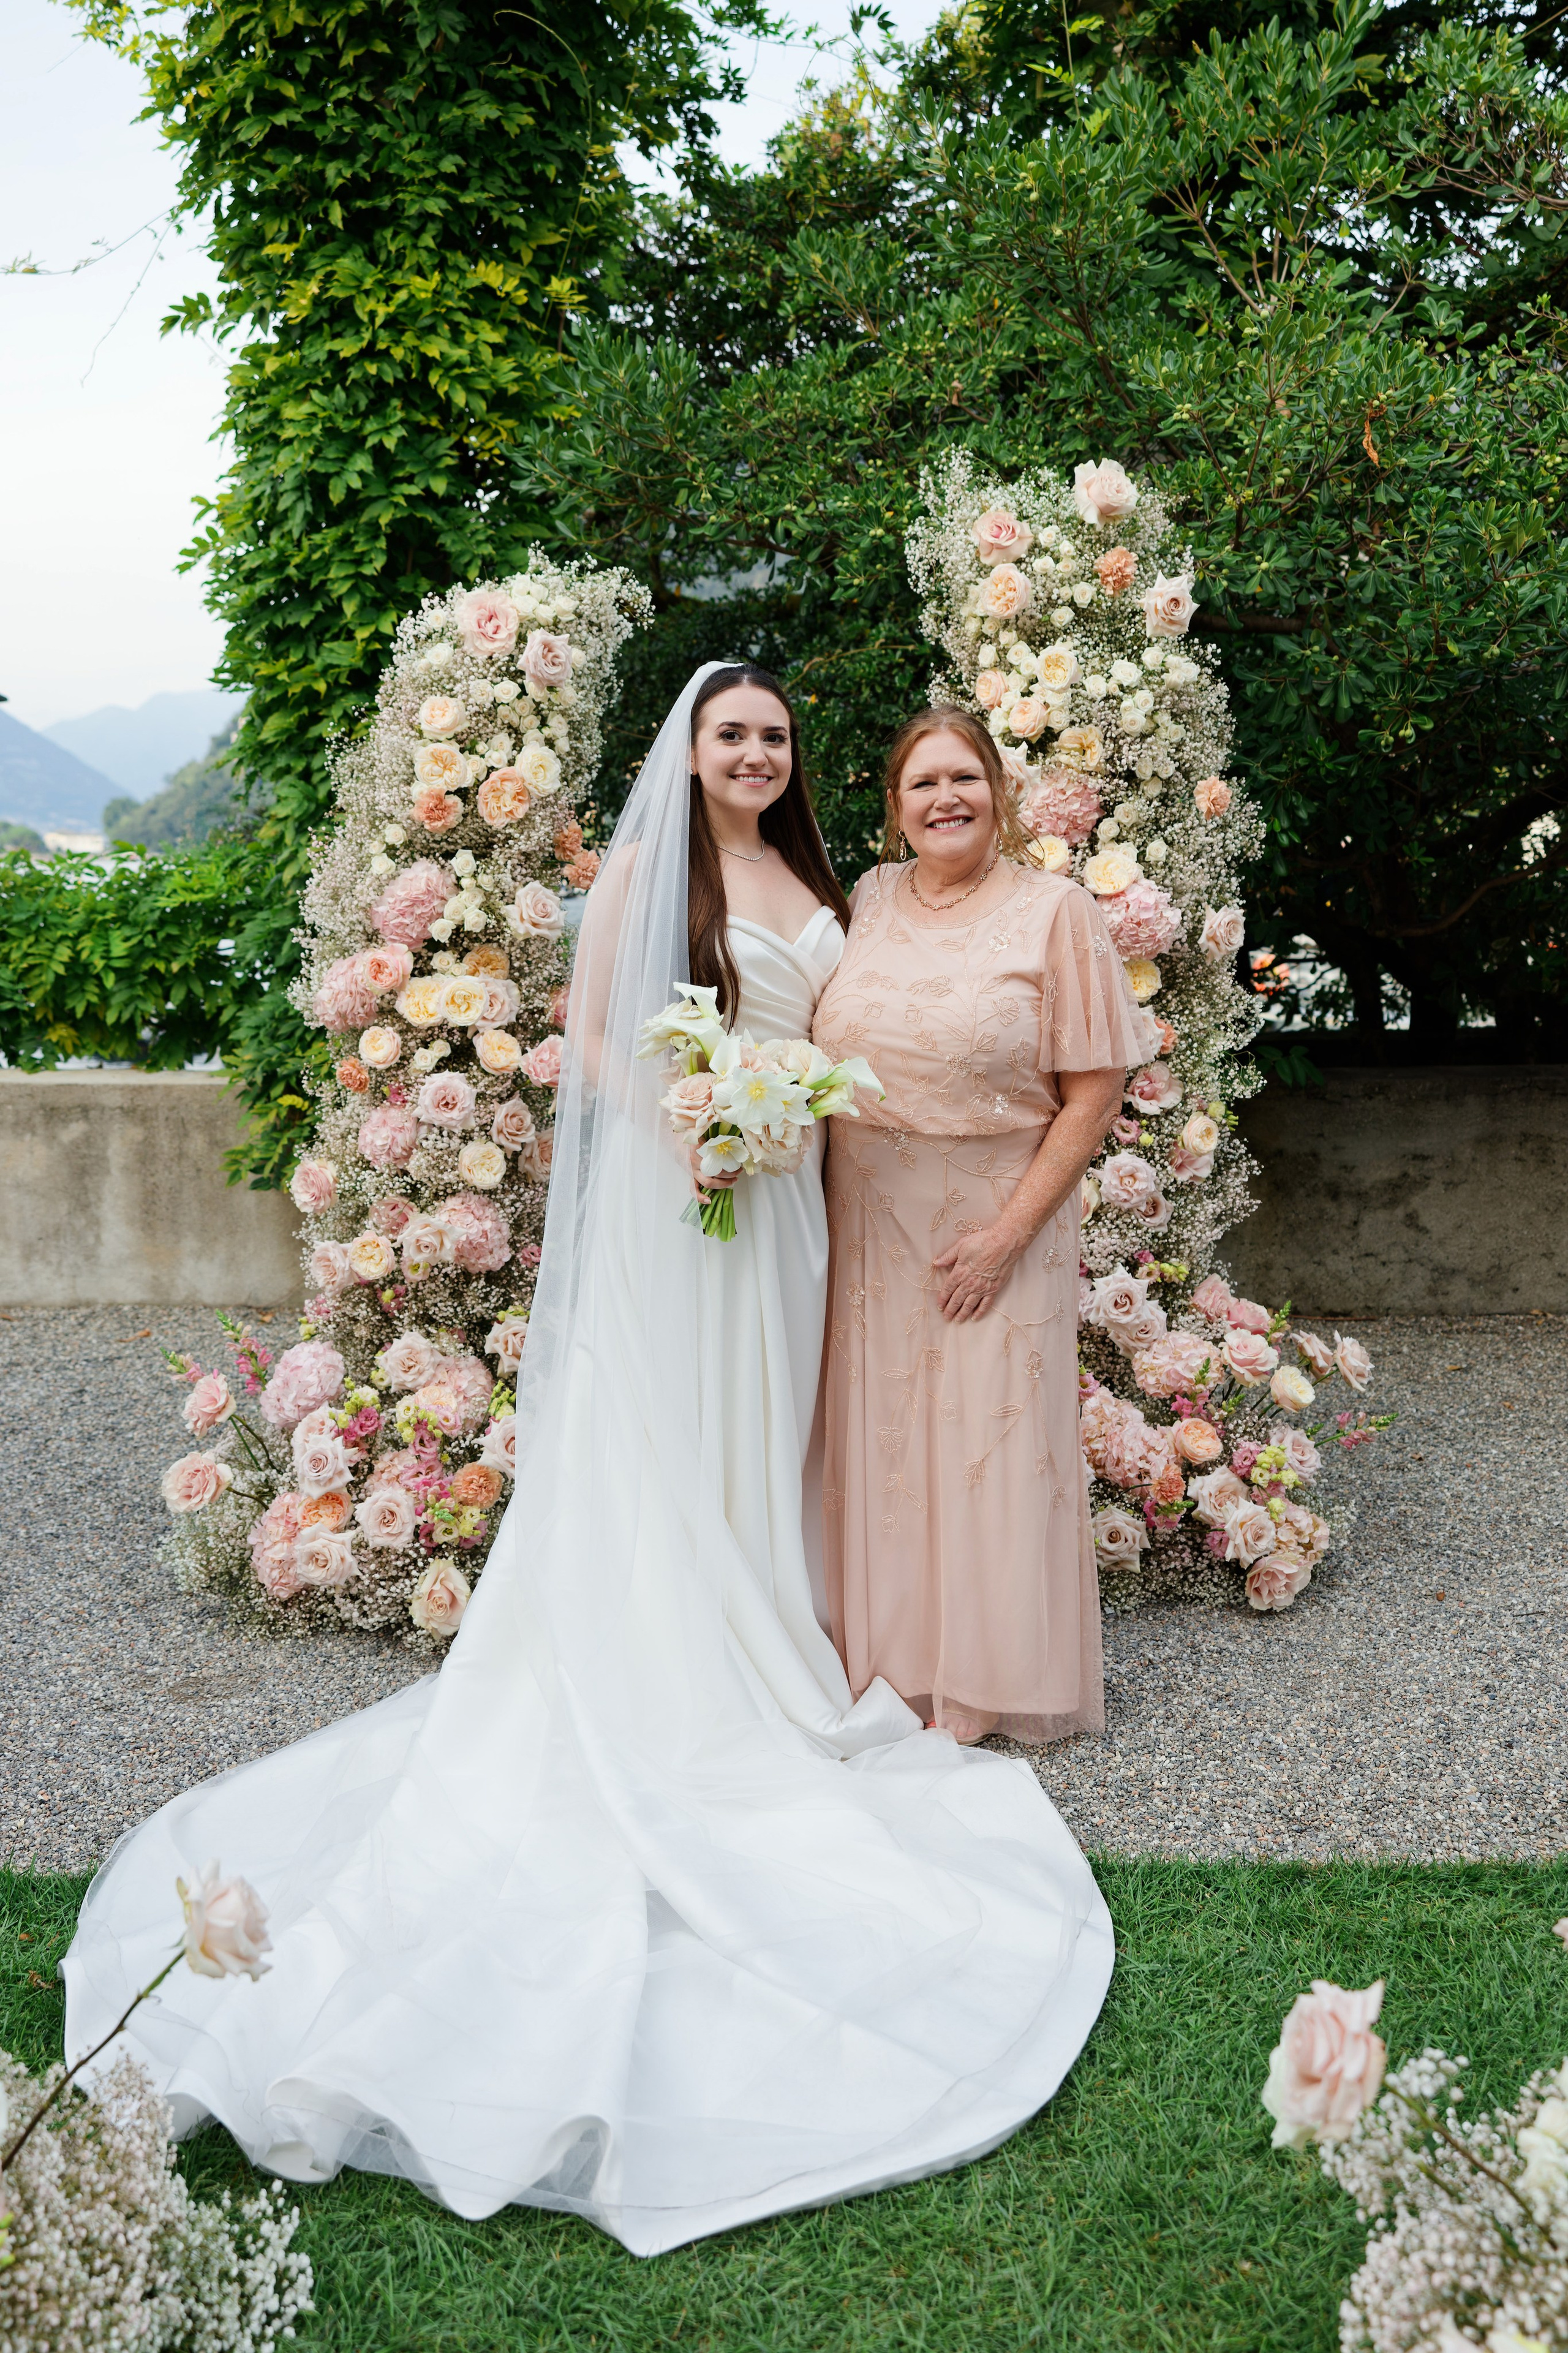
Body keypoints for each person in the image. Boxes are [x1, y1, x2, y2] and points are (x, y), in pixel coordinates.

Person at [62, 668, 1115, 2259]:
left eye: (773, 737)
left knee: (780, 1434)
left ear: (794, 766)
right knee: (679, 1435)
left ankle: (777, 1627)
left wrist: (775, 1123)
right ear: (690, 753)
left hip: (803, 1218)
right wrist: (700, 1117)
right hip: (697, 1205)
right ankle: (681, 1665)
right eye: (730, 734)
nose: (753, 755)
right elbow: (596, 1039)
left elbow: (846, 1028)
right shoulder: (653, 871)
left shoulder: (829, 884)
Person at [813, 707, 1158, 1747]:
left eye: (963, 778)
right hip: (868, 1225)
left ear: (999, 793)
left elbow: (1094, 1093)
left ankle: (985, 1684)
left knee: (992, 1444)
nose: (944, 799)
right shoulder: (868, 898)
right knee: (884, 1449)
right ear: (894, 806)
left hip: (999, 1219)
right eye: (922, 784)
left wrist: (1007, 1236)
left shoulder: (1055, 912)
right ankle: (888, 1671)